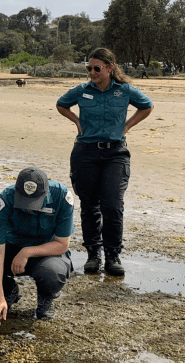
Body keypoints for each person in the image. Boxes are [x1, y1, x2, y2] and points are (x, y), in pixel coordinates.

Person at [55, 47, 152, 276]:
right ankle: (93, 254)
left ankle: (113, 255)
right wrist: (77, 122)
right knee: (89, 206)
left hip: (115, 154)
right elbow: (61, 104)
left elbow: (146, 106)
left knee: (112, 205)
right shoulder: (81, 90)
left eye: (96, 68)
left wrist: (127, 126)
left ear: (110, 68)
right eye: (89, 68)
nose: (92, 72)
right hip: (85, 153)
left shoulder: (124, 90)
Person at [0, 167, 75, 323]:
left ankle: (45, 299)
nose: (28, 207)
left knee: (52, 273)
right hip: (12, 247)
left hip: (47, 253)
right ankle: (10, 291)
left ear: (45, 193)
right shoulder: (6, 198)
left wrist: (26, 252)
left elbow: (62, 245)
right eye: (24, 201)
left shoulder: (62, 196)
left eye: (34, 202)